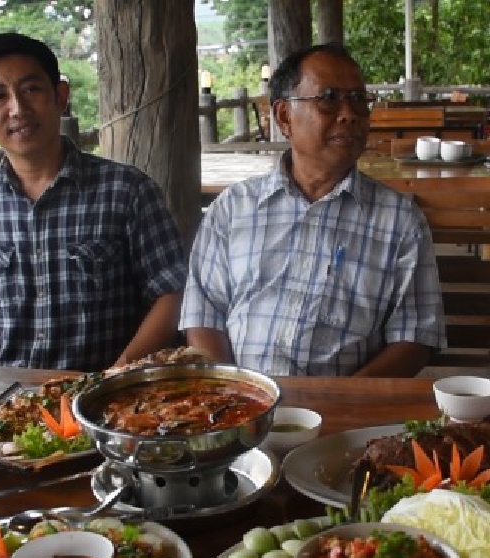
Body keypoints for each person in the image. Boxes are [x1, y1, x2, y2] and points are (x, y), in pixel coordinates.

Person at [179, 44, 446, 377]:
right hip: (241, 406)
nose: (349, 113)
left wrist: (343, 402)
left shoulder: (400, 221)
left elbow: (415, 337)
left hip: (345, 410)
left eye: (359, 99)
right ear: (284, 116)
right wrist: (236, 396)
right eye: (329, 98)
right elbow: (204, 315)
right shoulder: (233, 208)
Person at [0, 32, 188, 372]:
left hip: (111, 399)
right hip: (13, 402)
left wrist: (115, 375)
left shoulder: (127, 190)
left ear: (60, 96)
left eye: (31, 89)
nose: (18, 108)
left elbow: (173, 292)